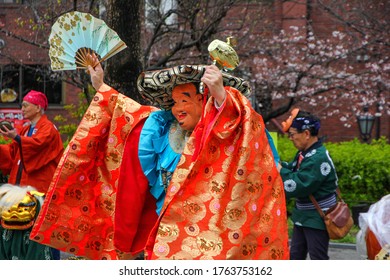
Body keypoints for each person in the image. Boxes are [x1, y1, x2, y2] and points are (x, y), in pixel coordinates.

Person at [31, 57, 289, 260]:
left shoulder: (230, 131)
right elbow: (126, 114)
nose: (177, 108)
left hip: (216, 235)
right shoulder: (162, 128)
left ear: (204, 99)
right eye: (174, 102)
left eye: (185, 100)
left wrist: (220, 94)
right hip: (165, 231)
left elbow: (239, 123)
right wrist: (101, 85)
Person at [0, 90, 64, 260]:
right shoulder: (26, 129)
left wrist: (17, 138)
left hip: (39, 190)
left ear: (38, 107)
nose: (22, 108)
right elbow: (13, 154)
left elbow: (37, 145)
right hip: (21, 189)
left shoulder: (48, 128)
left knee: (42, 232)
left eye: (26, 105)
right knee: (20, 230)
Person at [278, 109, 338, 260]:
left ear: (306, 133)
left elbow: (299, 184)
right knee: (296, 255)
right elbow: (292, 168)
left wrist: (279, 170)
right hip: (304, 215)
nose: (291, 138)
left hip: (317, 217)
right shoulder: (304, 153)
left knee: (317, 257)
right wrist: (277, 165)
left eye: (292, 134)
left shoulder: (318, 158)